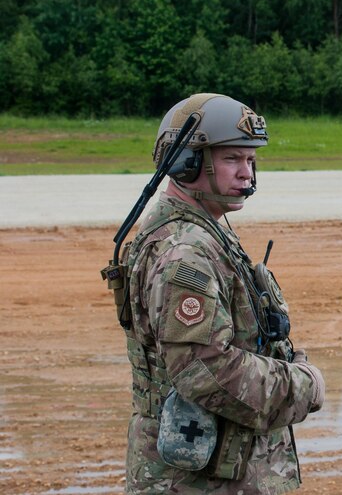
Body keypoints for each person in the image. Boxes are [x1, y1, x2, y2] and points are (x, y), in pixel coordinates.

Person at [115, 93, 324, 494]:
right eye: (232, 159)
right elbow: (204, 370)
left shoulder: (206, 231)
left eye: (250, 160)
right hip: (201, 480)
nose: (247, 173)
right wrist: (302, 386)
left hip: (218, 469)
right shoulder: (185, 252)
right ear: (187, 162)